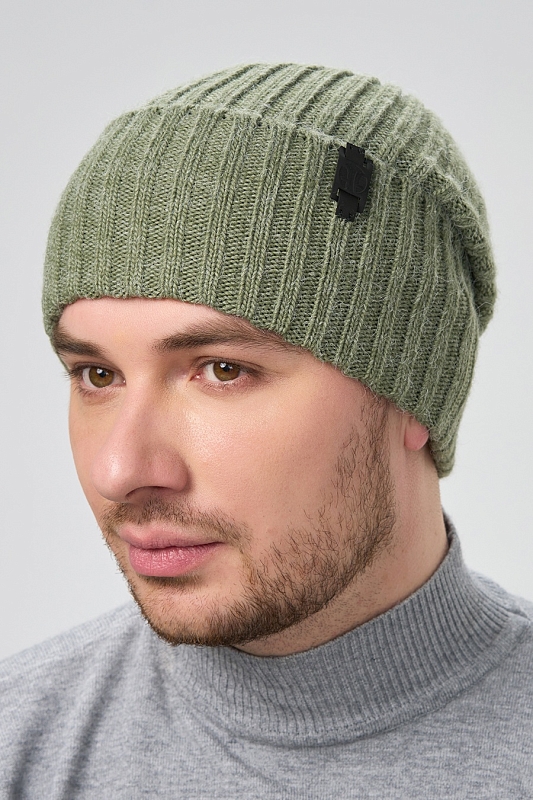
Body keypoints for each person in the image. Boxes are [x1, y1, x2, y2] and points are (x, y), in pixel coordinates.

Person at [1, 63, 531, 798]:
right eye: (96, 375)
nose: (120, 469)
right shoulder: (20, 746)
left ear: (412, 389)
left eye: (222, 370)